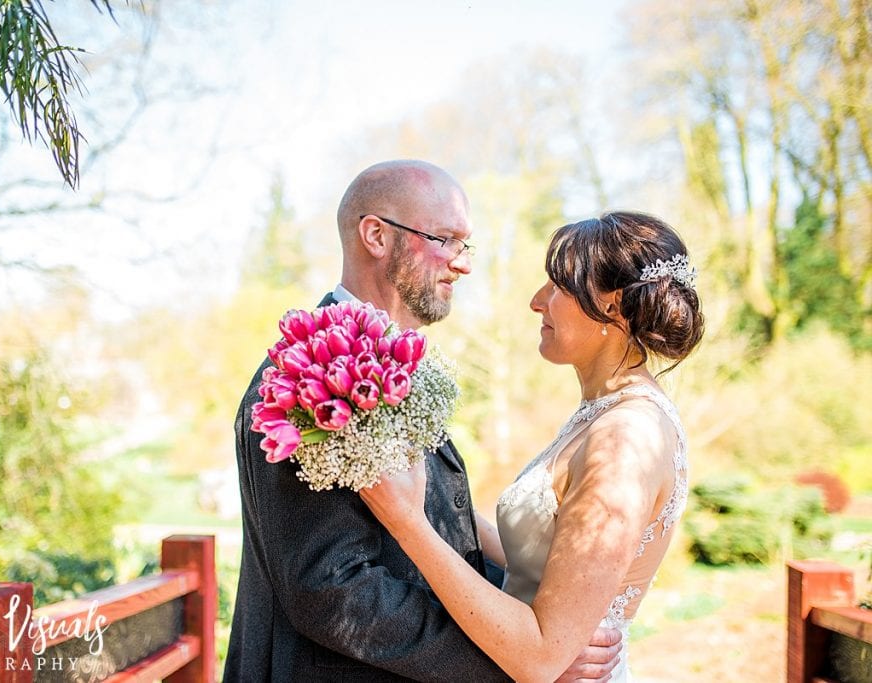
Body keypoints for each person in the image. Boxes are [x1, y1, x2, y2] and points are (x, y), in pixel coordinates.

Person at [225, 160, 622, 681]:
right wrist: (516, 658)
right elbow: (333, 590)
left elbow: (435, 527)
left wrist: (540, 629)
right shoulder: (303, 381)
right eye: (446, 239)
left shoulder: (392, 367)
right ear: (376, 236)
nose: (463, 264)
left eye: (466, 244)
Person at [361, 211, 705, 682]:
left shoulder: (625, 439)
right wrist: (427, 489)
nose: (536, 301)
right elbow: (544, 558)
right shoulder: (606, 413)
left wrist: (408, 525)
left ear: (613, 305)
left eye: (558, 286)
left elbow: (542, 656)